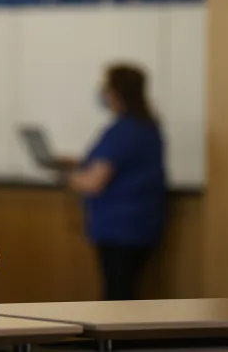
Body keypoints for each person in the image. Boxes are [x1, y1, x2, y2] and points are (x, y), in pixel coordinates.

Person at [56, 64, 167, 301]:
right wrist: (77, 162)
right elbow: (116, 163)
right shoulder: (147, 126)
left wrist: (66, 177)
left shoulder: (123, 130)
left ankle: (117, 340)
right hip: (142, 226)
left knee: (117, 295)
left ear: (115, 92)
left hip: (119, 230)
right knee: (126, 291)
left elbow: (94, 182)